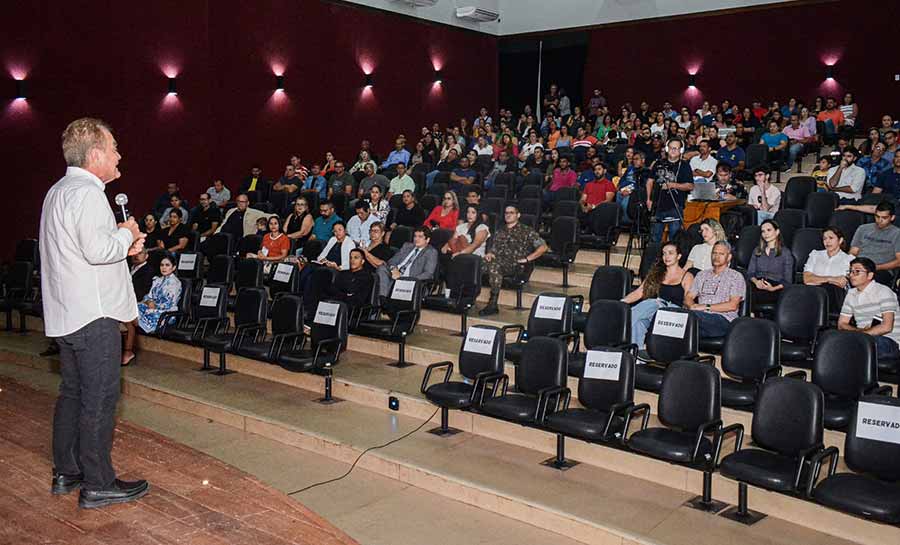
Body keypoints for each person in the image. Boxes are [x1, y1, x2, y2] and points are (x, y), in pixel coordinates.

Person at [39, 117, 149, 507]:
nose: (120, 155)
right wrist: (128, 234)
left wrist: (123, 247)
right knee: (99, 399)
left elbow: (84, 253)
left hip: (68, 313)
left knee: (72, 394)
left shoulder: (58, 191)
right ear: (97, 154)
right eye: (115, 147)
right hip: (94, 315)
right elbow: (98, 250)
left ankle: (67, 471)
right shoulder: (87, 194)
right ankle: (99, 482)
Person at [622, 242, 694, 348]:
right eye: (664, 253)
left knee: (652, 302)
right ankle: (636, 358)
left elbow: (688, 301)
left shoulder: (687, 276)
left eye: (670, 253)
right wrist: (620, 303)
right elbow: (639, 292)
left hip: (675, 314)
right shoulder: (657, 273)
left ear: (679, 256)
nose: (666, 256)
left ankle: (619, 328)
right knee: (639, 324)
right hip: (655, 311)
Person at [479, 205, 548, 315]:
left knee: (494, 266)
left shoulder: (526, 231)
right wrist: (490, 253)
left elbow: (543, 247)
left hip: (516, 264)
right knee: (475, 264)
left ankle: (493, 303)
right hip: (498, 261)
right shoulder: (500, 231)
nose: (508, 215)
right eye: (506, 213)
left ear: (518, 215)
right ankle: (467, 296)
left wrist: (527, 259)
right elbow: (494, 249)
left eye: (511, 212)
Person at [122, 254, 182, 364]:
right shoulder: (157, 280)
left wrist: (154, 305)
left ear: (173, 267)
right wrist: (149, 301)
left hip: (164, 313)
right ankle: (127, 350)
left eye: (167, 265)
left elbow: (169, 303)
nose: (164, 267)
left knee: (130, 318)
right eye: (162, 265)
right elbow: (147, 296)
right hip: (151, 308)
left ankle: (127, 350)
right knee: (129, 309)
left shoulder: (176, 283)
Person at [839, 257, 900, 363]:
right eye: (851, 271)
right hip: (864, 338)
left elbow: (887, 327)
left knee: (860, 345)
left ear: (870, 275)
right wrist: (859, 332)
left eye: (857, 271)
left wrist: (861, 335)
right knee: (833, 338)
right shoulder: (851, 294)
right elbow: (842, 324)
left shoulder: (884, 292)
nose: (852, 275)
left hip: (889, 341)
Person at [684, 241, 746, 339]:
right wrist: (692, 306)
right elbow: (689, 296)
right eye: (714, 253)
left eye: (721, 254)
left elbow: (733, 305)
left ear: (729, 257)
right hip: (700, 318)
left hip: (723, 320)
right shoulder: (702, 275)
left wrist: (705, 307)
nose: (716, 257)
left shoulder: (735, 276)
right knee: (679, 323)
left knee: (687, 321)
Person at [645, 138, 694, 243]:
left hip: (675, 206)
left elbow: (690, 186)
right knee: (654, 238)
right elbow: (649, 181)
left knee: (674, 238)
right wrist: (648, 199)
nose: (673, 150)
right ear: (667, 149)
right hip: (657, 205)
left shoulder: (685, 166)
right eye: (671, 148)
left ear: (681, 151)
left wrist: (673, 185)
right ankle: (654, 258)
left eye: (676, 148)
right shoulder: (658, 164)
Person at [376, 227, 438, 297]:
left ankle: (384, 300)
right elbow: (392, 261)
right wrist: (394, 269)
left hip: (411, 279)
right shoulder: (407, 246)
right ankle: (383, 298)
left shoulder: (431, 252)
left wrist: (406, 278)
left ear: (427, 239)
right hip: (395, 274)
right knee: (381, 268)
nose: (416, 239)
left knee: (390, 282)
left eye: (420, 237)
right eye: (415, 236)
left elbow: (428, 273)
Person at [804, 226, 853, 315]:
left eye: (831, 238)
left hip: (834, 297)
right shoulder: (815, 255)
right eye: (824, 239)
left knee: (829, 289)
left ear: (840, 240)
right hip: (812, 293)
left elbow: (842, 282)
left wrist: (817, 279)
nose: (827, 241)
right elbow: (807, 279)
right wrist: (831, 279)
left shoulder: (849, 259)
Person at [747, 219, 794, 309]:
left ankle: (752, 315)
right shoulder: (757, 250)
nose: (765, 234)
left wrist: (772, 288)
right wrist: (756, 282)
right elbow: (750, 273)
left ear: (777, 232)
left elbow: (788, 281)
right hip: (757, 284)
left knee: (754, 296)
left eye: (769, 230)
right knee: (746, 290)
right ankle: (751, 315)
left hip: (776, 287)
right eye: (763, 231)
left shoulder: (785, 253)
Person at [849, 201, 900, 283]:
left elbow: (898, 262)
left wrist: (876, 267)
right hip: (858, 266)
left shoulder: (897, 233)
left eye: (884, 217)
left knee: (863, 279)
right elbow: (853, 252)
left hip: (880, 270)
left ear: (892, 217)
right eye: (877, 216)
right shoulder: (863, 228)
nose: (880, 220)